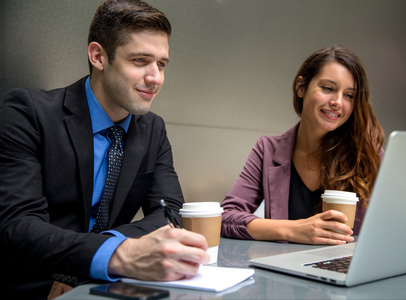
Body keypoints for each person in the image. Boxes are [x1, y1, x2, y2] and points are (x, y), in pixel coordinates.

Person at [0, 1, 209, 299]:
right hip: (34, 285)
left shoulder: (153, 129)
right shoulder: (28, 113)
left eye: (161, 64)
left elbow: (168, 212)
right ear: (98, 56)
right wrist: (118, 255)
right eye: (140, 60)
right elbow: (17, 227)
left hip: (105, 285)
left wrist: (100, 256)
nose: (156, 78)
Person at [221, 45, 384, 245]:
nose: (338, 102)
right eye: (328, 88)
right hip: (284, 270)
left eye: (349, 95)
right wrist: (294, 230)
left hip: (346, 270)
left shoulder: (368, 155)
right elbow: (226, 217)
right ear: (301, 88)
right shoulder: (268, 150)